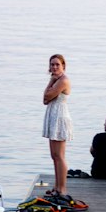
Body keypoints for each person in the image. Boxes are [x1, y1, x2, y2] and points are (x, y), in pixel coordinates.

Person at [42, 53, 73, 200]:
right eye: (52, 64)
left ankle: (62, 189)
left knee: (59, 156)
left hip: (60, 117)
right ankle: (56, 186)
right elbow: (45, 99)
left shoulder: (63, 80)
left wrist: (51, 83)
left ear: (63, 66)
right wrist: (51, 81)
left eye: (57, 64)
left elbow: (47, 97)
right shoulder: (55, 79)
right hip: (53, 115)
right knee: (54, 156)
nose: (54, 67)